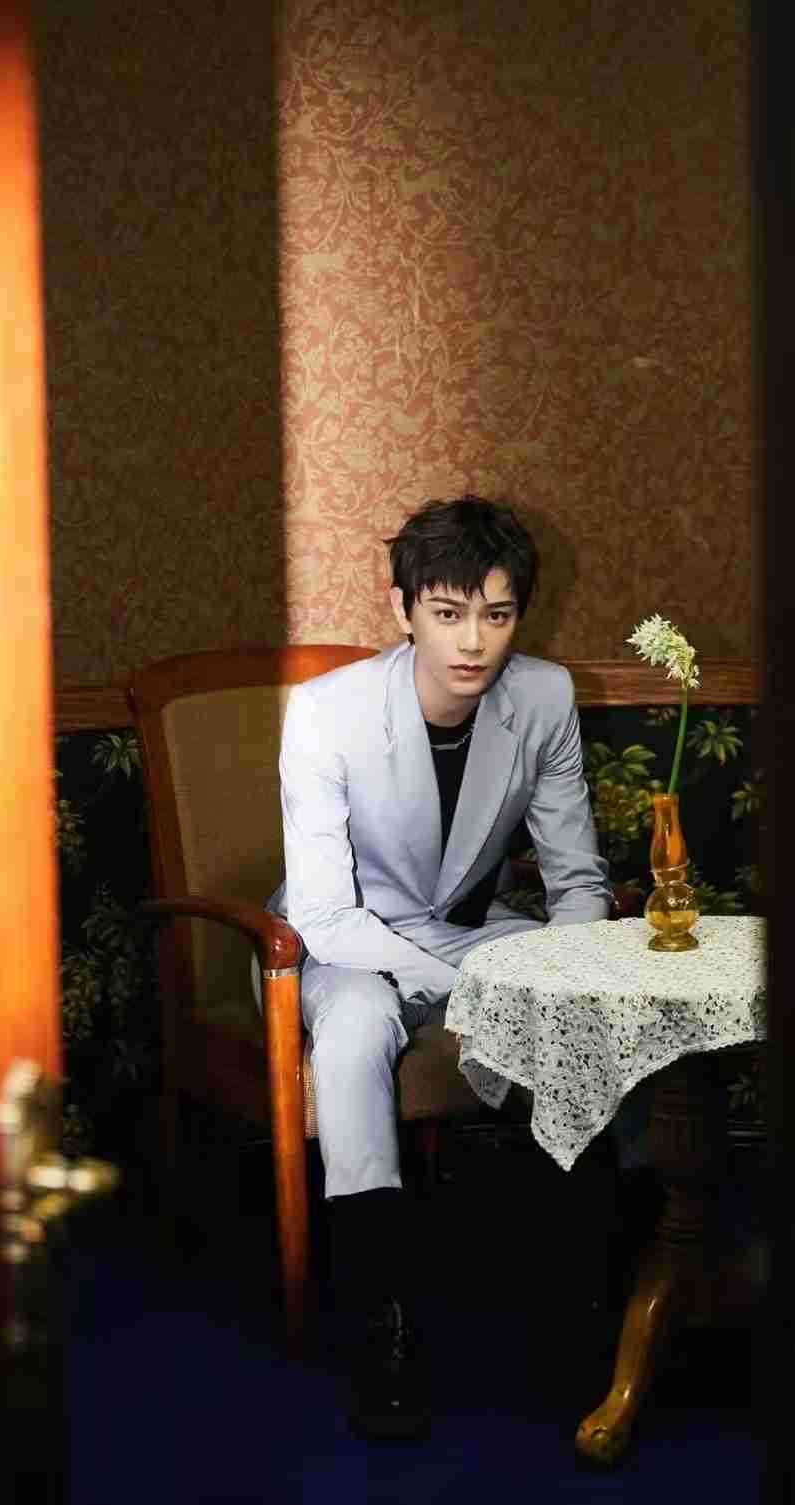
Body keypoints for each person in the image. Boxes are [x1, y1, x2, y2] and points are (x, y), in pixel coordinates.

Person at [265, 495, 612, 1438]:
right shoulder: (327, 711)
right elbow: (326, 912)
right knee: (355, 1027)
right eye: (448, 613)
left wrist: (568, 973)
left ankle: (578, 1298)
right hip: (337, 937)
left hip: (465, 928)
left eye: (497, 615)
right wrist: (477, 989)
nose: (473, 641)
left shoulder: (543, 697)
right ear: (403, 608)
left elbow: (578, 882)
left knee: (576, 1001)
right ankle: (381, 1318)